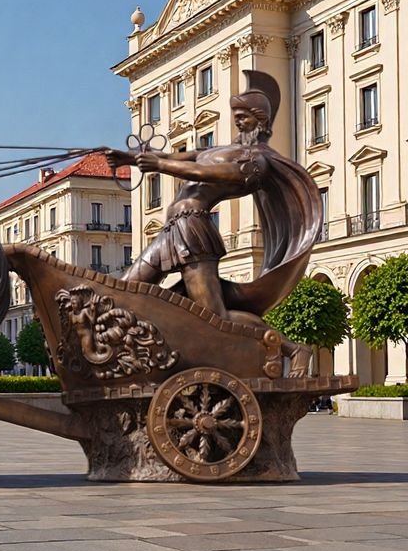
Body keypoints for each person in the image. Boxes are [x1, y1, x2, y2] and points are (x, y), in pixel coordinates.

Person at [104, 70, 321, 374]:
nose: (237, 121)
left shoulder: (258, 160)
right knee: (125, 290)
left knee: (213, 315)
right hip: (173, 230)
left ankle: (291, 347)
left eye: (243, 116)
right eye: (235, 115)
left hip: (194, 231)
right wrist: (130, 158)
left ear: (261, 120)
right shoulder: (221, 150)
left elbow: (216, 175)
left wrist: (160, 166)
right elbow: (186, 158)